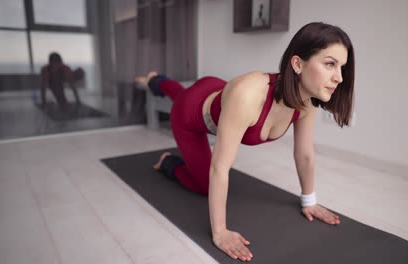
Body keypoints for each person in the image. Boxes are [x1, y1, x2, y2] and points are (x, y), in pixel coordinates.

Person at [135, 22, 354, 262]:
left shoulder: (306, 102)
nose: (339, 77)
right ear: (298, 64)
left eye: (342, 67)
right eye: (330, 64)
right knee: (184, 110)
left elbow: (304, 155)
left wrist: (309, 200)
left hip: (217, 92)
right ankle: (168, 161)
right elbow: (219, 167)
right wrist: (220, 232)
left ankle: (156, 81)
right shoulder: (249, 94)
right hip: (190, 116)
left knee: (181, 93)